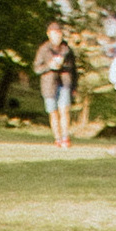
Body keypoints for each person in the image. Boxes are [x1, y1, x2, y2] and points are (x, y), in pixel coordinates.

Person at [33, 19, 77, 149]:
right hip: (49, 85)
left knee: (64, 110)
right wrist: (50, 66)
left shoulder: (67, 50)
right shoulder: (43, 49)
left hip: (64, 83)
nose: (57, 36)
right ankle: (57, 138)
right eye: (54, 33)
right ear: (49, 34)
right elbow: (37, 68)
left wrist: (74, 86)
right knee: (53, 112)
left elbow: (74, 69)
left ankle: (65, 138)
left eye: (58, 33)